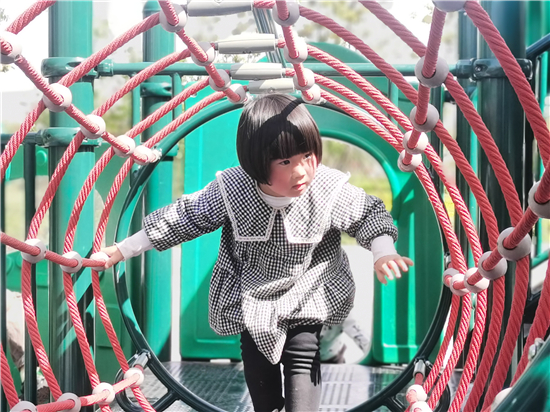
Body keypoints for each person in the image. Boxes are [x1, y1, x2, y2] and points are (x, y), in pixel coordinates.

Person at [102, 94, 413, 412]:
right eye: (285, 162)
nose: (301, 171)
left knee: (303, 350)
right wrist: (124, 249)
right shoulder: (234, 189)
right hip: (255, 291)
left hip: (309, 286)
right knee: (256, 355)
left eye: (307, 155)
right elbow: (186, 217)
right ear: (256, 162)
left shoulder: (326, 188)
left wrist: (382, 251)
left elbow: (367, 213)